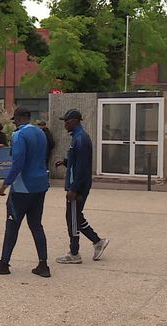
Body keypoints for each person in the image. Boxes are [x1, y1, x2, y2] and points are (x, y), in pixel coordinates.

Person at [0, 107, 50, 278]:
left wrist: (6, 183)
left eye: (14, 120)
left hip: (23, 187)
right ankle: (43, 264)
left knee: (12, 224)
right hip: (40, 184)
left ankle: (4, 262)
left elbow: (18, 162)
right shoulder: (41, 133)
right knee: (36, 225)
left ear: (19, 118)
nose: (14, 123)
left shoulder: (19, 135)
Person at [55, 108, 109, 264]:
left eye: (66, 121)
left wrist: (73, 188)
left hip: (78, 186)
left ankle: (74, 253)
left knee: (72, 218)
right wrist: (65, 162)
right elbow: (77, 162)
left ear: (75, 121)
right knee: (76, 216)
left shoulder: (81, 139)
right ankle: (97, 241)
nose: (65, 124)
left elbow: (82, 167)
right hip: (78, 184)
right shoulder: (77, 137)